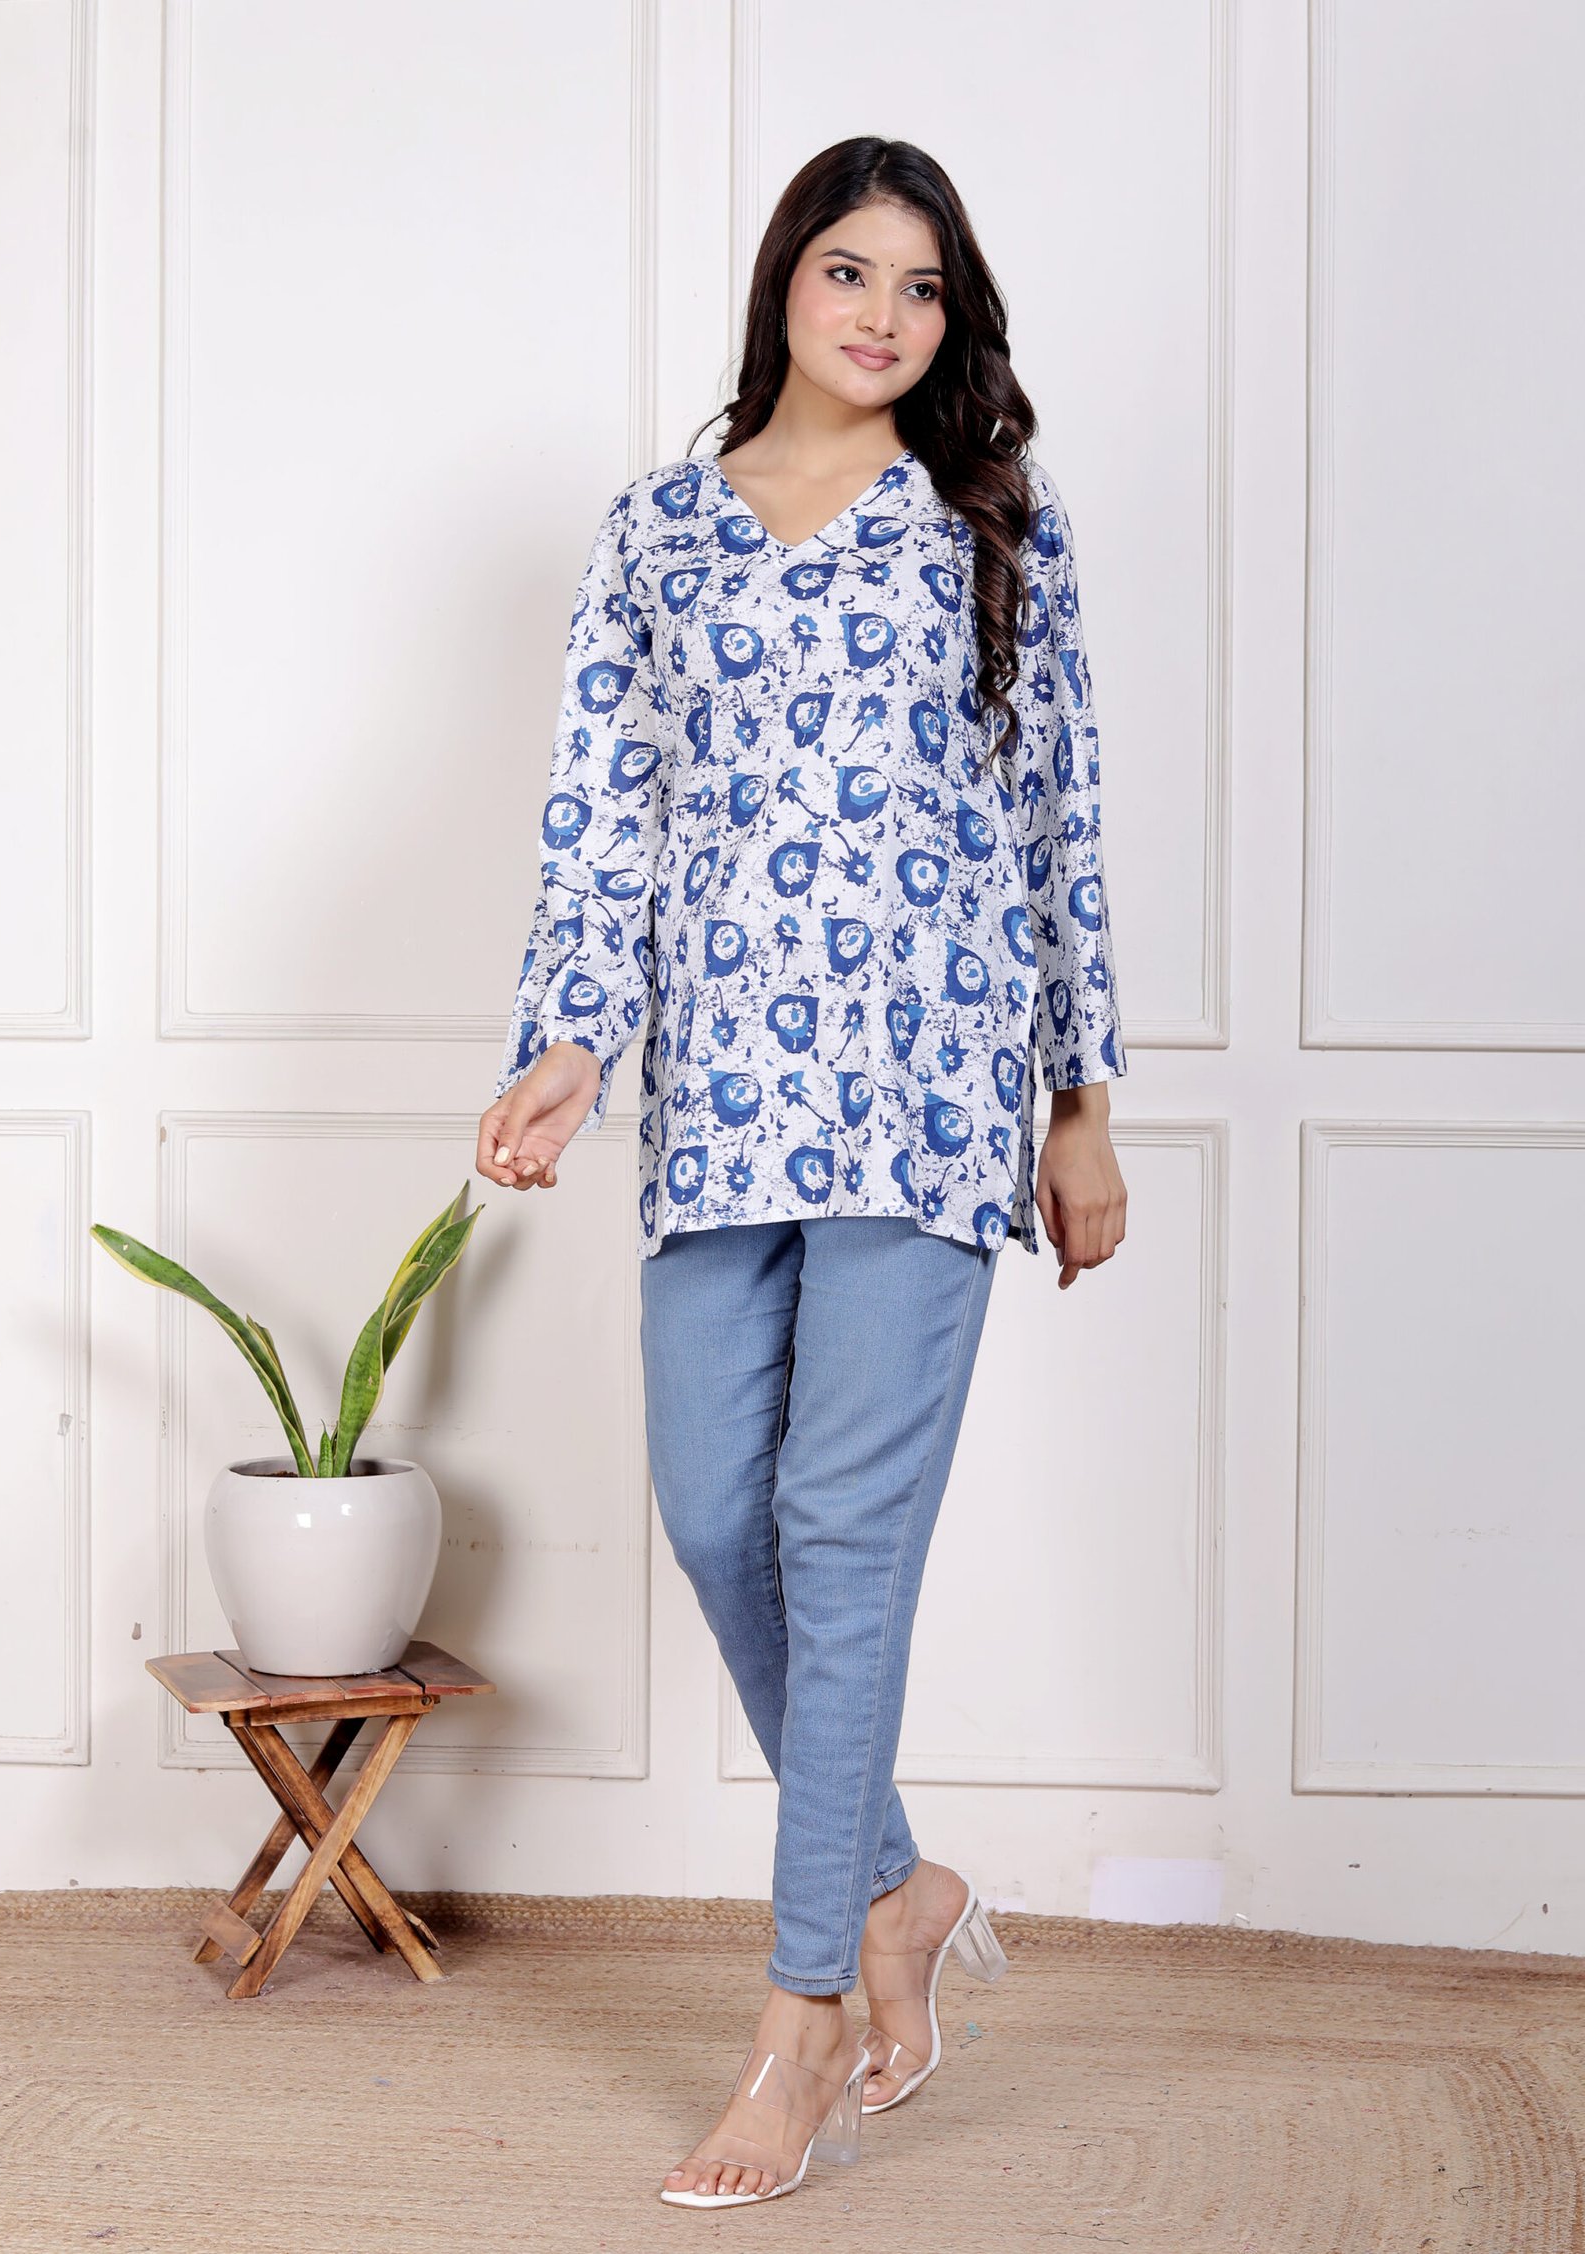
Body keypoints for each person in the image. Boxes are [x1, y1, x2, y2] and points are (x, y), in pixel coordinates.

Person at [476, 134, 1129, 2210]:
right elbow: (605, 813)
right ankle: (901, 1886)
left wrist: (1079, 1100)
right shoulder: (656, 533)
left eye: (922, 288)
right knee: (710, 1512)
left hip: (930, 1085)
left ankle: (803, 2019)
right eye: (850, 271)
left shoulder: (989, 519)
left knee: (841, 1537)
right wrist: (570, 1040)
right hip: (722, 1097)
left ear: (953, 320)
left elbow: (1057, 812)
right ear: (785, 281)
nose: (882, 314)